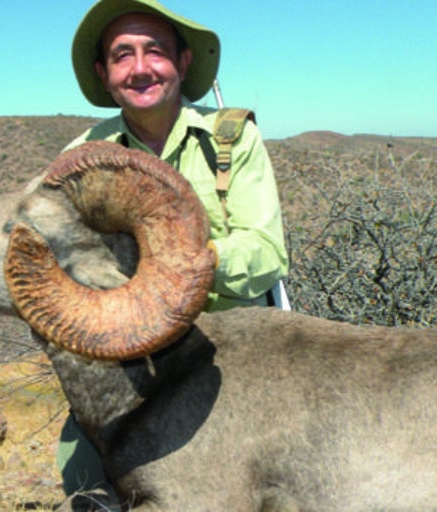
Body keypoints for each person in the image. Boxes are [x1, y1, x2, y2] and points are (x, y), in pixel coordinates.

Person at [56, 0, 289, 500]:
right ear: (104, 73)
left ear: (182, 63)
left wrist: (187, 266)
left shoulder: (233, 140)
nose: (140, 68)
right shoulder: (81, 159)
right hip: (133, 358)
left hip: (237, 351)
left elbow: (267, 251)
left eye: (155, 51)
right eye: (122, 55)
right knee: (85, 483)